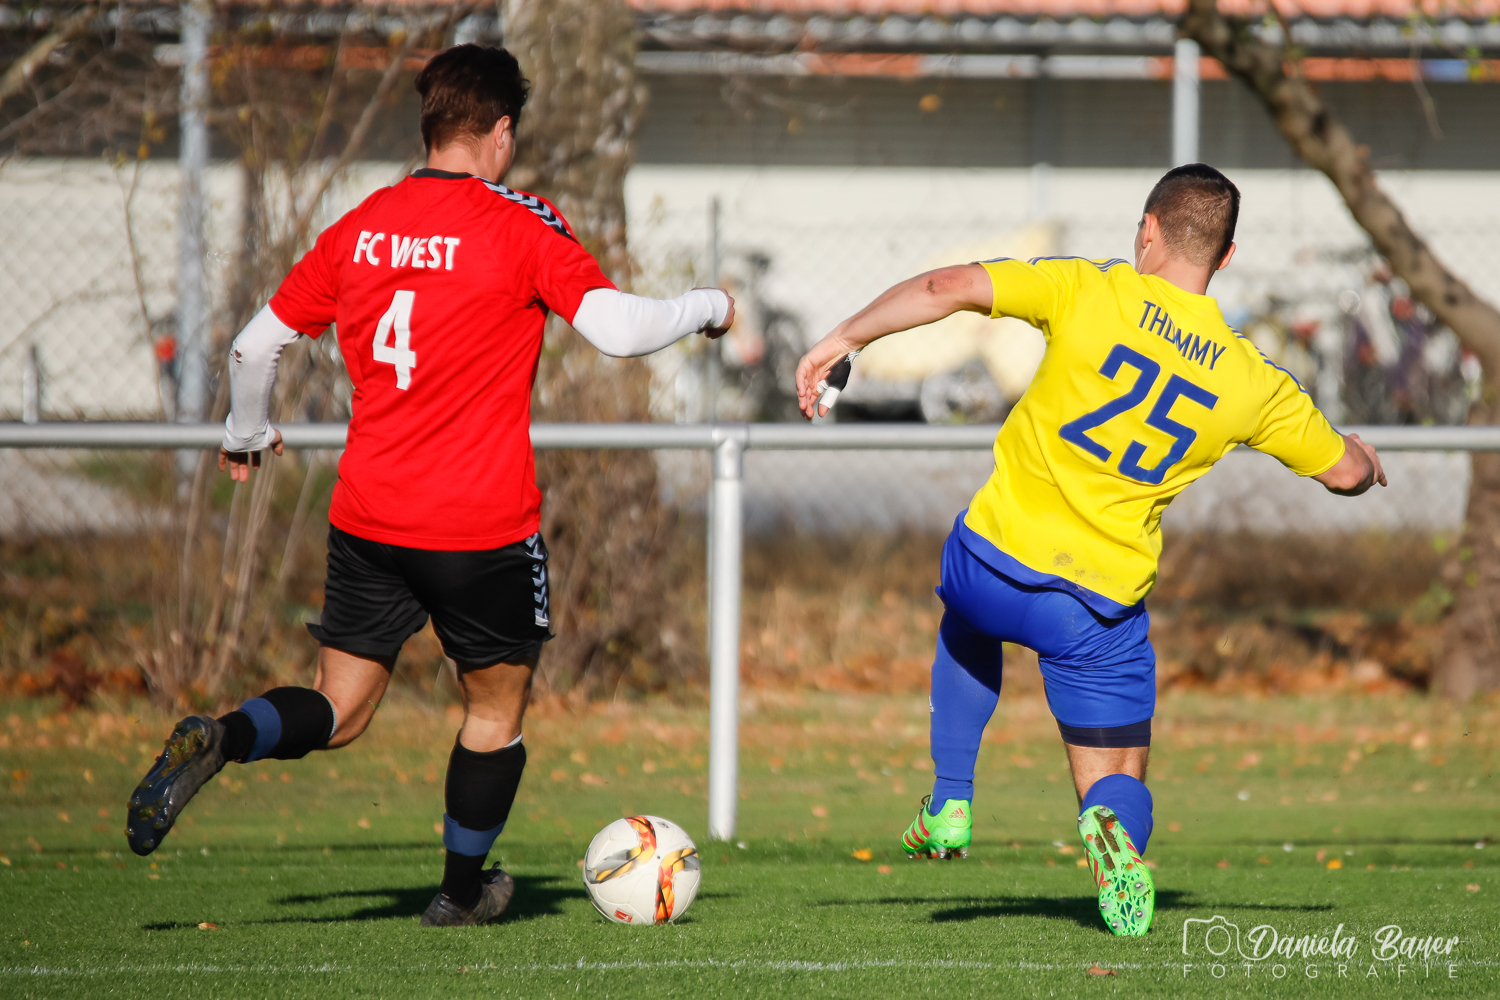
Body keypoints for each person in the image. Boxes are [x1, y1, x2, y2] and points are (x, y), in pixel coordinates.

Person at [125, 44, 734, 928]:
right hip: (481, 523)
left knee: (338, 707)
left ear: (428, 125)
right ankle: (459, 892)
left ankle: (226, 735)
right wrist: (709, 306)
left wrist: (245, 431)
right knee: (495, 709)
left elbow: (254, 346)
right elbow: (618, 329)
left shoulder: (363, 223)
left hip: (370, 514)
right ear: (499, 132)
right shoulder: (520, 222)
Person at [795, 164, 1385, 937]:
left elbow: (945, 288)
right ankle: (1112, 845)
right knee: (1119, 773)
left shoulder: (1089, 289)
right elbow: (1341, 472)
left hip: (989, 563)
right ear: (1226, 257)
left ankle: (950, 798)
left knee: (966, 616)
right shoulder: (1253, 381)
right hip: (1091, 608)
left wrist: (844, 337)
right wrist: (1367, 460)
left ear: (1148, 230)